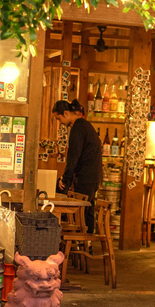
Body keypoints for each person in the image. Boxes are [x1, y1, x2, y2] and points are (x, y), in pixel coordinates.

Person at [52, 99, 102, 233]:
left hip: (86, 176)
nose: (60, 122)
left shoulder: (78, 128)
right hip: (93, 175)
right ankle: (88, 244)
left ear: (66, 113)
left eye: (59, 118)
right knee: (88, 210)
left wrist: (65, 179)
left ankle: (84, 242)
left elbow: (73, 157)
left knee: (82, 212)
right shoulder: (85, 125)